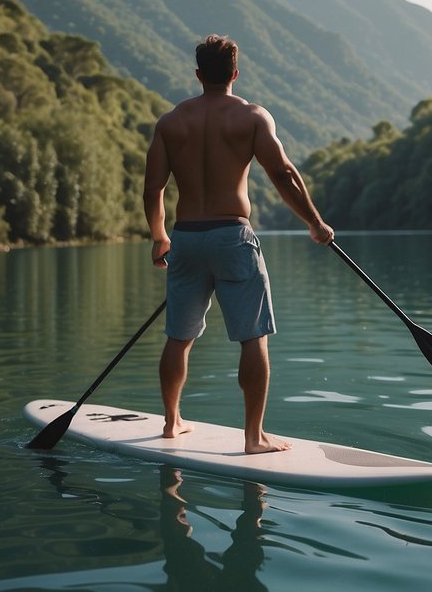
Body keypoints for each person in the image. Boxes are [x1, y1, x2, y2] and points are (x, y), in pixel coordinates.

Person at [143, 34, 334, 454]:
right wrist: (315, 223)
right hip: (232, 236)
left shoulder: (171, 122)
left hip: (186, 238)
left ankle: (172, 423)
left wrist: (159, 237)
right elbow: (283, 174)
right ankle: (253, 437)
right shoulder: (251, 117)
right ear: (234, 73)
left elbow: (152, 188)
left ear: (197, 74)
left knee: (179, 336)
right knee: (253, 338)